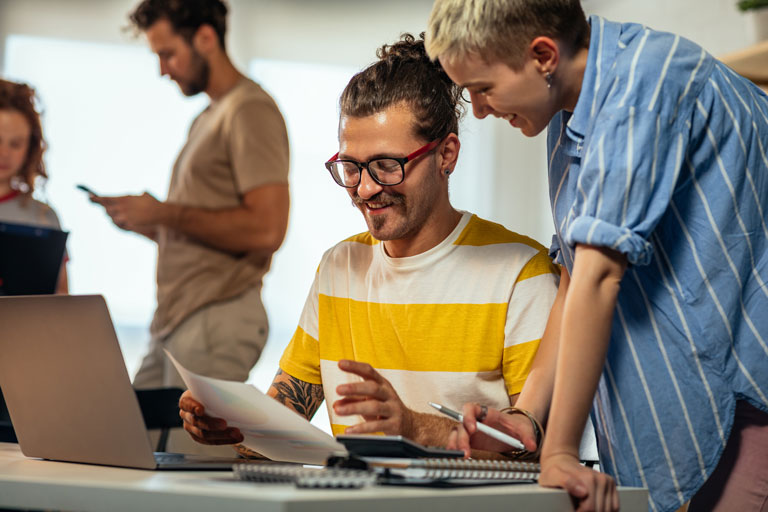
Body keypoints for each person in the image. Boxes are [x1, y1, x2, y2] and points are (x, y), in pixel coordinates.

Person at [425, 1, 768, 511]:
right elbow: (574, 279)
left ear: (543, 55)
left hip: (743, 401)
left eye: (483, 88)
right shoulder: (568, 105)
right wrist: (531, 422)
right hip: (673, 402)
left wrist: (561, 451)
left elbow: (598, 278)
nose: (477, 109)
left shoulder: (645, 84)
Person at [178, 33, 559, 452]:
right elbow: (277, 426)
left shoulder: (523, 274)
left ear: (446, 154)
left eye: (386, 165)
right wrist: (233, 423)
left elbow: (539, 450)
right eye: (351, 167)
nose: (364, 189)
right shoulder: (340, 267)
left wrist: (415, 428)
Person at [91, 0, 290, 396]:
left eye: (167, 54)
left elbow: (267, 229)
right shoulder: (207, 117)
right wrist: (149, 223)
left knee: (189, 458)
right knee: (131, 447)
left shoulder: (250, 110)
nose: (162, 70)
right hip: (175, 322)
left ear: (205, 38)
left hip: (214, 317)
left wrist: (164, 212)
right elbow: (207, 228)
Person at [0, 78, 67, 294]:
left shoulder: (43, 218)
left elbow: (62, 303)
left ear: (30, 148)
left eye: (16, 144)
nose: (4, 153)